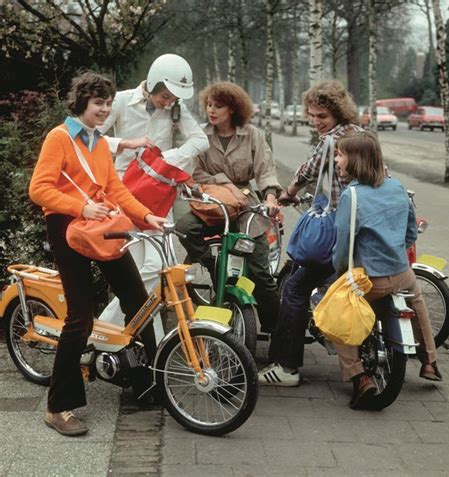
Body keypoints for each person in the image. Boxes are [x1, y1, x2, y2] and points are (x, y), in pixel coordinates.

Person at [29, 72, 167, 437]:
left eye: (108, 103)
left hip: (100, 224)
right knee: (81, 315)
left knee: (139, 300)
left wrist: (146, 215)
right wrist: (79, 207)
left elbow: (115, 189)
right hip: (67, 227)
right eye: (98, 104)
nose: (105, 109)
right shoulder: (59, 138)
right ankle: (58, 407)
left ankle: (149, 381)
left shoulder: (99, 141)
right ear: (81, 104)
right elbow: (38, 189)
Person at [97, 54, 209, 341]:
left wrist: (166, 159)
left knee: (161, 267)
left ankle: (108, 329)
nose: (168, 102)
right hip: (124, 195)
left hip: (158, 198)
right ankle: (138, 340)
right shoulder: (121, 101)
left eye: (173, 97)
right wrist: (124, 144)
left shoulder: (176, 109)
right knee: (133, 269)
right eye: (164, 95)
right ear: (152, 83)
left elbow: (200, 140)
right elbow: (90, 136)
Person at [259, 80, 363, 385]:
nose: (316, 122)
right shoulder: (364, 135)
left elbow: (307, 171)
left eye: (323, 116)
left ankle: (287, 368)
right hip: (365, 232)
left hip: (338, 233)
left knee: (294, 288)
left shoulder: (332, 141)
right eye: (312, 116)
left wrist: (287, 194)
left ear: (337, 114)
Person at [331, 131, 442, 409]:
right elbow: (409, 232)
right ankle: (430, 360)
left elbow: (343, 245)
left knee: (338, 312)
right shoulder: (397, 186)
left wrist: (341, 272)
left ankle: (359, 377)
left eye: (340, 154)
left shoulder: (351, 196)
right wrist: (396, 252)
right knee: (417, 301)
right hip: (402, 272)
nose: (336, 159)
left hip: (370, 279)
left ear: (354, 160)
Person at [175, 81, 282, 333]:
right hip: (215, 204)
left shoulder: (252, 134)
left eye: (218, 106)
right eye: (209, 104)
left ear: (232, 109)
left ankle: (276, 333)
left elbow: (265, 170)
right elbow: (197, 172)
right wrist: (225, 185)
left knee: (261, 274)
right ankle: (214, 266)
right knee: (184, 228)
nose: (211, 110)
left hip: (246, 205)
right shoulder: (200, 136)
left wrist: (269, 197)